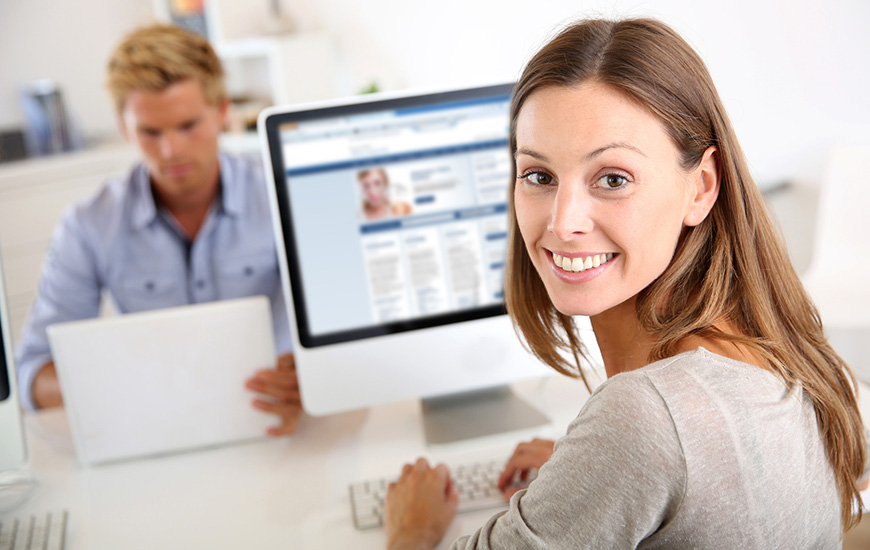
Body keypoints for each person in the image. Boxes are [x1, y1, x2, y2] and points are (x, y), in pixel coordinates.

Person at [383, 18, 869, 549]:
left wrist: (413, 528)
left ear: (701, 187)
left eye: (613, 179)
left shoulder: (643, 421)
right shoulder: (773, 346)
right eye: (539, 176)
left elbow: (654, 438)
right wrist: (593, 478)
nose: (563, 222)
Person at [14, 24, 302, 437]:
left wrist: (310, 374)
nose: (172, 151)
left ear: (222, 112)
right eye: (151, 132)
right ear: (124, 126)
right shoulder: (88, 225)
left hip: (278, 425)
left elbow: (345, 331)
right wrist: (126, 385)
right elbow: (32, 374)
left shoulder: (283, 197)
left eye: (188, 126)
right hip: (154, 431)